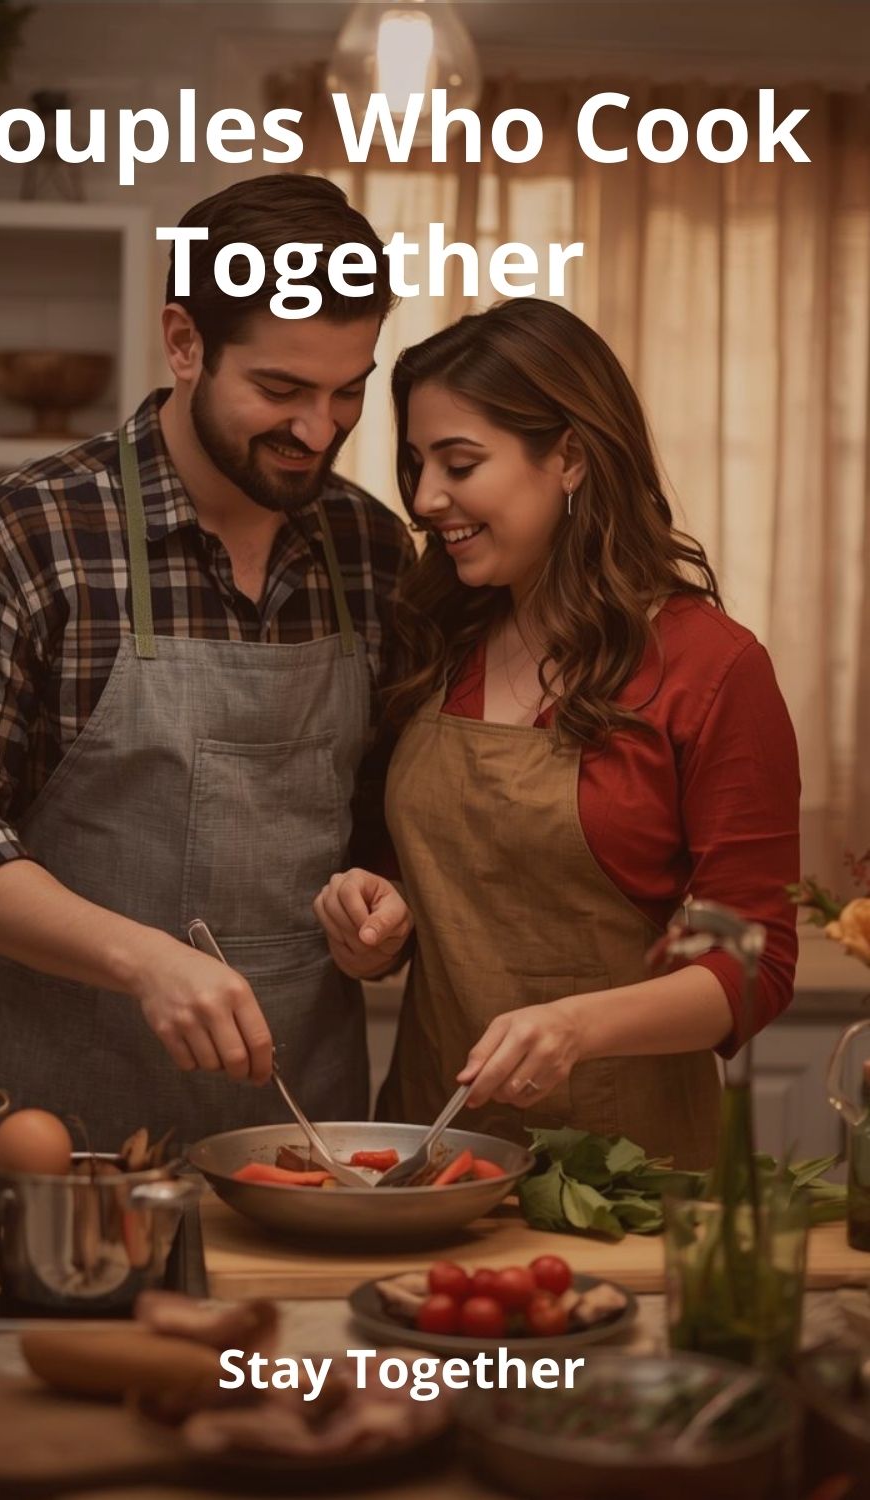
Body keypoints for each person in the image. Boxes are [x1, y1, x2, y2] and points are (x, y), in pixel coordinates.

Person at [0, 174, 414, 1158]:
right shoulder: (32, 528)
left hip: (303, 1149)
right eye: (281, 389)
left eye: (350, 390)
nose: (319, 430)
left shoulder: (374, 551)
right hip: (56, 1145)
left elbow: (387, 817)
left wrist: (382, 910)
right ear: (184, 343)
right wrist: (140, 959)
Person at [313, 299, 800, 1168]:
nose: (425, 499)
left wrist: (578, 1025)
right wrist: (376, 924)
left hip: (631, 1174)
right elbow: (428, 885)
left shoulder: (710, 668)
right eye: (418, 463)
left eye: (460, 463)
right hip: (430, 1155)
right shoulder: (433, 640)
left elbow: (753, 963)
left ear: (569, 456)